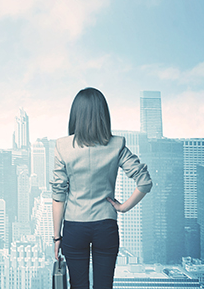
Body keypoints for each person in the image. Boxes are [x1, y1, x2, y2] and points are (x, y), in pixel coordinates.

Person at [50, 87, 153, 289]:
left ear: (75, 115)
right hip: (105, 226)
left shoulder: (62, 146)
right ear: (103, 115)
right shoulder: (116, 145)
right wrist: (123, 207)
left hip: (74, 227)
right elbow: (145, 182)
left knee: (78, 285)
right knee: (104, 286)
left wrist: (56, 237)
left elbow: (58, 196)